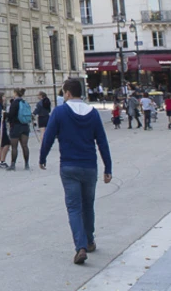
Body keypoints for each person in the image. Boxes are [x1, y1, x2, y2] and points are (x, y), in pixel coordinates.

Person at [39, 78, 112, 266]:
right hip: (89, 166)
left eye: (64, 93)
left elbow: (49, 136)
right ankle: (89, 240)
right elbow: (102, 141)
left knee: (73, 207)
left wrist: (42, 157)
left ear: (68, 94)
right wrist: (108, 168)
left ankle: (80, 246)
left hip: (69, 166)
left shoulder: (60, 112)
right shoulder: (93, 113)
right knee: (88, 204)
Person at [8, 87, 31, 170]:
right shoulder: (25, 102)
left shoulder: (14, 103)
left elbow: (11, 115)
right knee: (25, 146)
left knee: (14, 146)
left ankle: (13, 164)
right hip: (25, 126)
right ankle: (27, 164)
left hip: (16, 126)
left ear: (15, 93)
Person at [0, 91, 12, 168]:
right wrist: (4, 114)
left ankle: (0, 161)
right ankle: (2, 161)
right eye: (4, 96)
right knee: (6, 143)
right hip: (0, 128)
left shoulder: (0, 105)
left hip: (1, 127)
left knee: (1, 145)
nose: (5, 97)